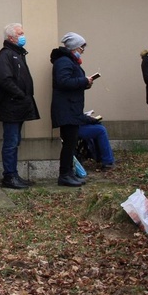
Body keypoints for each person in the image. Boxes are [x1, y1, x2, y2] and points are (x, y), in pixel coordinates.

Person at [0, 23, 40, 189]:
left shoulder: (17, 54)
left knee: (15, 141)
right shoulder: (6, 55)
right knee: (11, 142)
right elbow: (5, 80)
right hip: (12, 106)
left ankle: (13, 174)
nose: (23, 36)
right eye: (20, 33)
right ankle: (9, 176)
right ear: (11, 37)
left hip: (19, 106)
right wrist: (21, 94)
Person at [50, 32, 96, 187]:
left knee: (71, 143)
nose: (82, 50)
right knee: (69, 143)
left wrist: (84, 83)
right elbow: (63, 82)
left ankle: (69, 173)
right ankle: (64, 174)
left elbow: (69, 82)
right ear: (74, 47)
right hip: (67, 109)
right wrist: (83, 81)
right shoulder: (64, 62)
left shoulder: (67, 61)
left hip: (71, 108)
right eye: (81, 48)